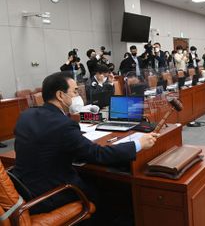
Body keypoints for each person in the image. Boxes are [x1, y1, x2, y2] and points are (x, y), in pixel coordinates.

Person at [12, 71, 158, 224]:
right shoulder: (63, 125)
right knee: (113, 190)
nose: (77, 95)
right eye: (74, 91)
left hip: (25, 191)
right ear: (60, 95)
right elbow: (97, 154)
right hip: (54, 195)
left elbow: (48, 145)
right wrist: (138, 143)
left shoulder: (26, 116)